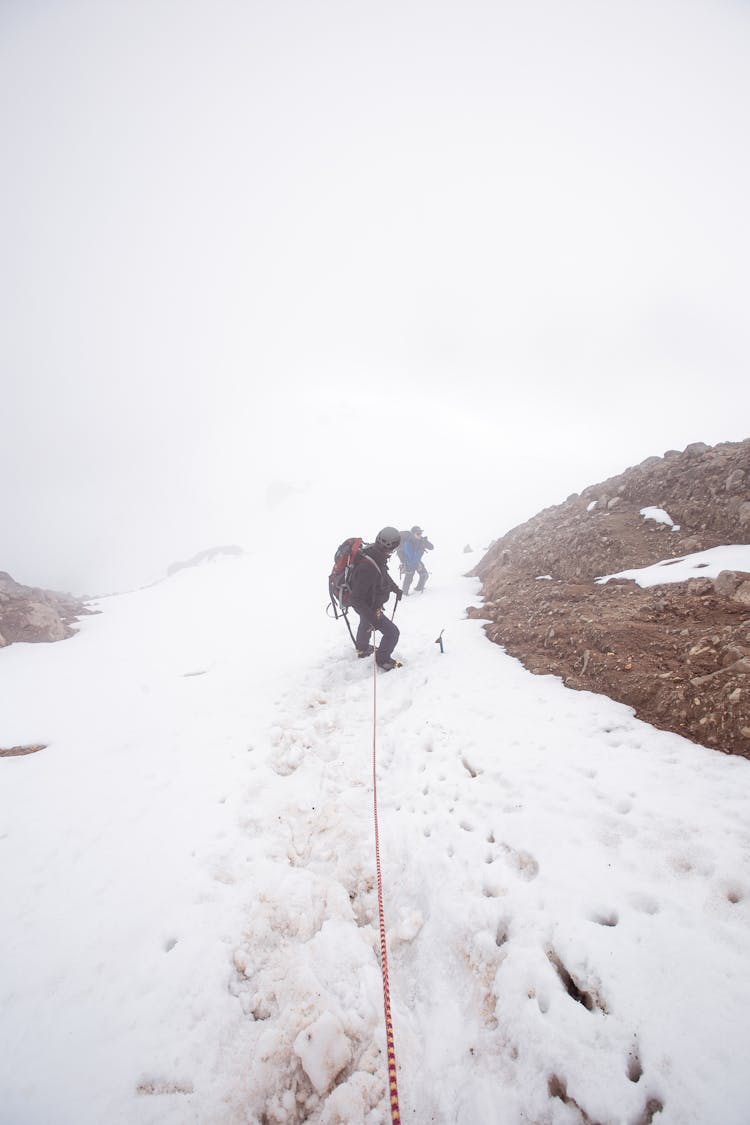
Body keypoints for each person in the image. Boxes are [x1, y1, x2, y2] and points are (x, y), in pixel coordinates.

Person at [348, 527, 403, 670]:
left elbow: (382, 574)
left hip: (368, 604)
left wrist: (395, 588)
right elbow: (356, 599)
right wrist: (374, 618)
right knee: (392, 633)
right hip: (368, 606)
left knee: (364, 623)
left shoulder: (374, 553)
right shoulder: (368, 566)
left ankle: (362, 649)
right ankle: (382, 659)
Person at [400, 525, 434, 595]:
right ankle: (404, 594)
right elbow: (412, 558)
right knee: (409, 579)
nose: (420, 535)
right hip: (409, 563)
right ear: (413, 534)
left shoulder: (421, 540)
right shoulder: (407, 543)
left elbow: (432, 547)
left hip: (417, 561)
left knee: (424, 575)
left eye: (421, 533)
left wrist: (426, 542)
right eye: (418, 533)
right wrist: (421, 550)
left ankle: (418, 589)